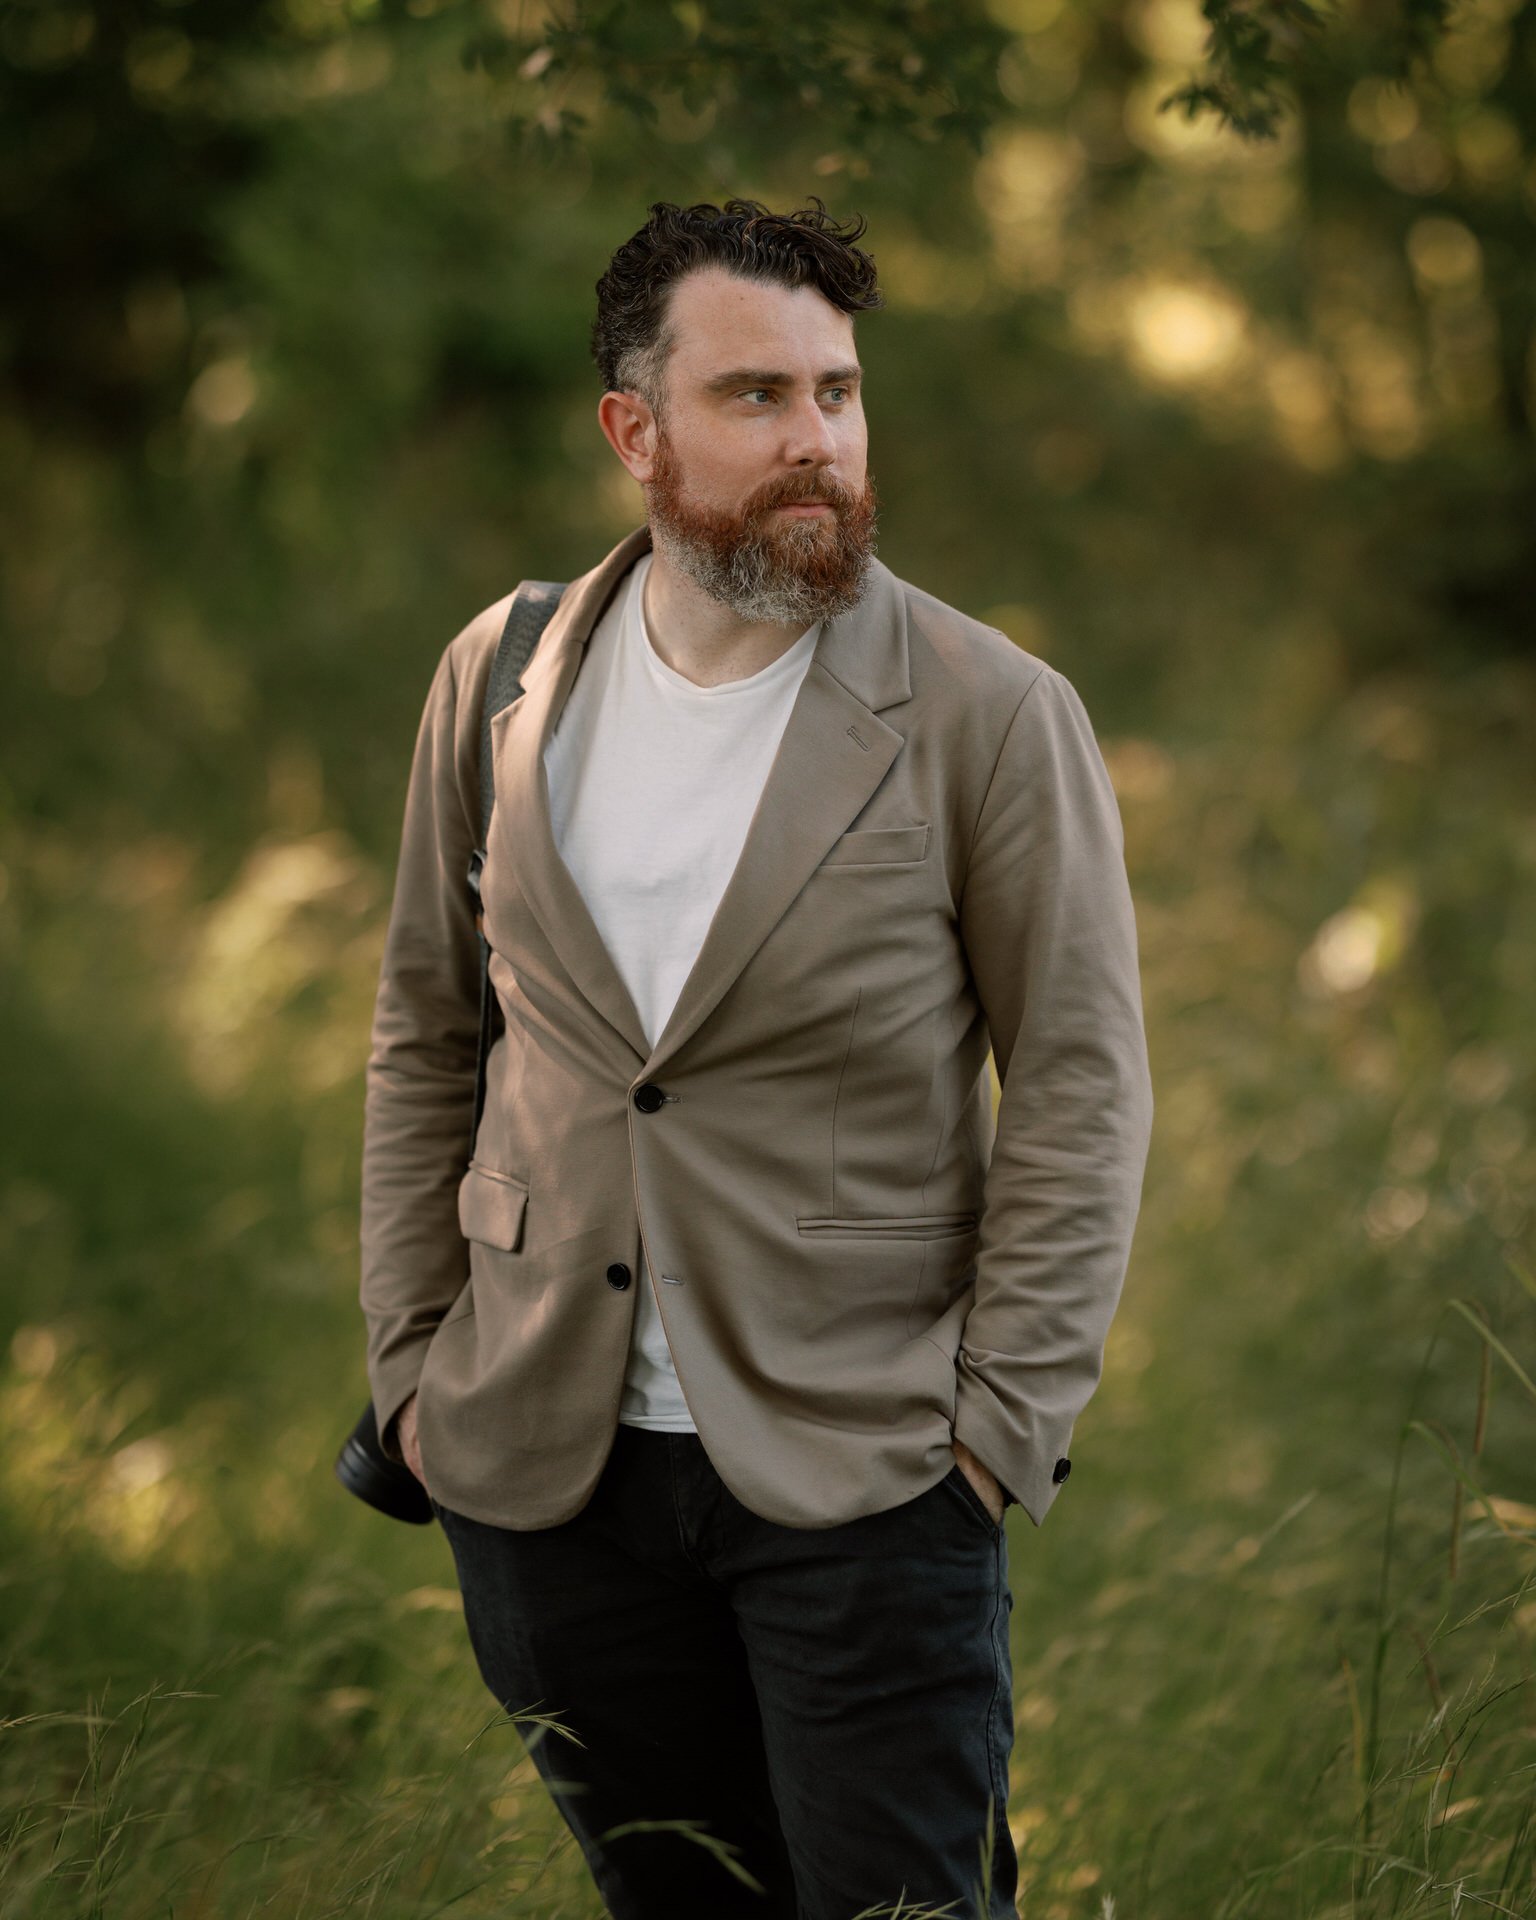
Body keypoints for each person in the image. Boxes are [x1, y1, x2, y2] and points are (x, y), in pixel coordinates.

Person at [358, 196, 1154, 1920]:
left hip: (865, 1475)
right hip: (543, 1470)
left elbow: (1082, 1087)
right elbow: (427, 1028)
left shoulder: (989, 713)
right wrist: (413, 1363)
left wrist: (997, 1430)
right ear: (632, 432)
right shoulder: (502, 680)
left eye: (840, 395)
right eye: (758, 399)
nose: (819, 444)